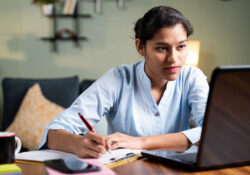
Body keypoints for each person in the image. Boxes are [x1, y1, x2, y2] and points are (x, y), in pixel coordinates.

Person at [39, 6, 209, 158]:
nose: (173, 59)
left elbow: (211, 133)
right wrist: (78, 144)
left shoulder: (192, 78)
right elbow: (54, 132)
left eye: (181, 47)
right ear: (140, 47)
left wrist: (142, 142)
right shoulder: (118, 79)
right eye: (162, 48)